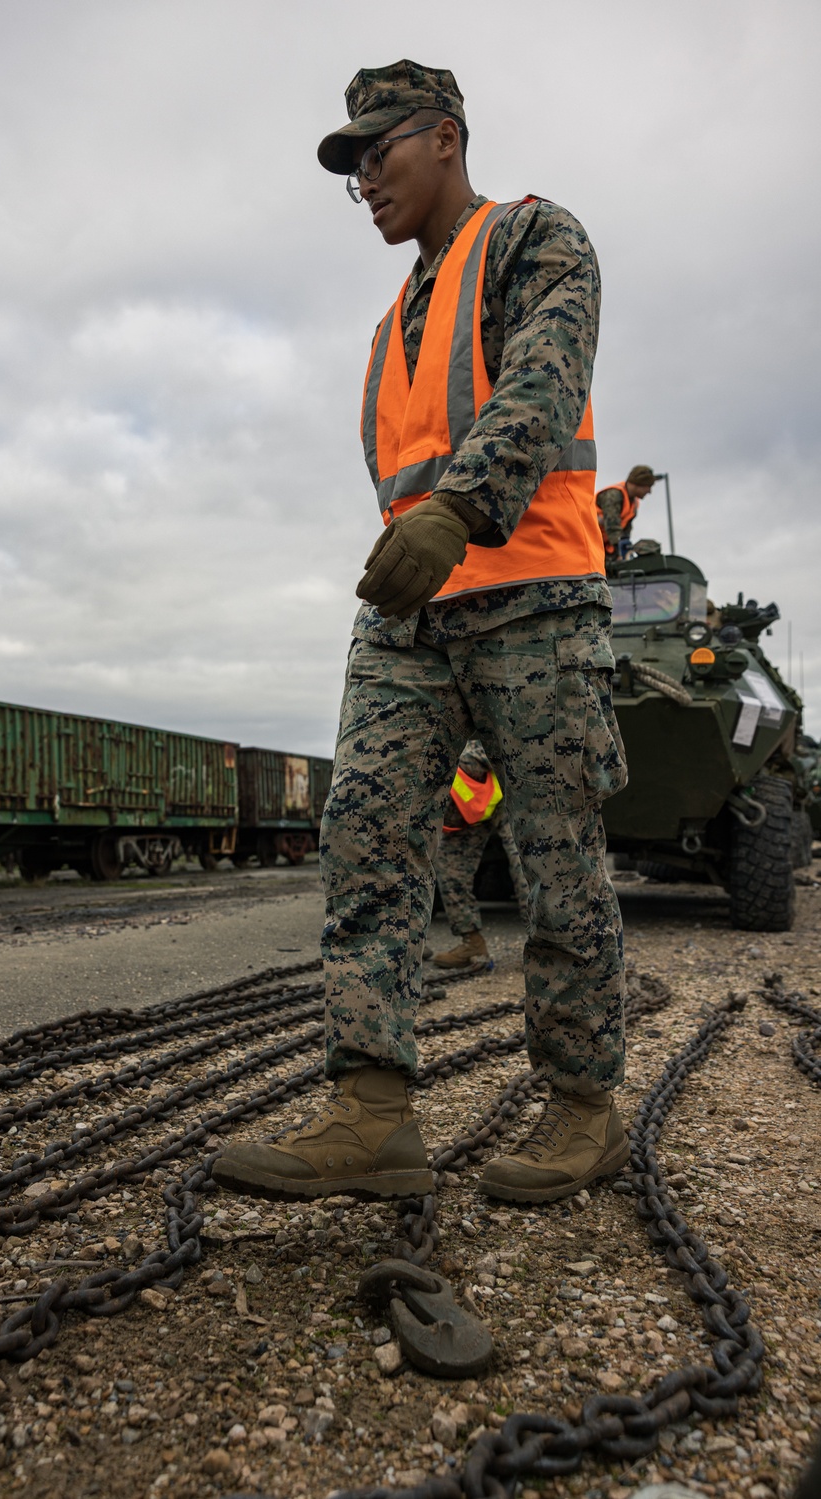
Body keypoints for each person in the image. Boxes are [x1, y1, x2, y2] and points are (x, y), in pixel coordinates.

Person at [213, 59, 628, 1208]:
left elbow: (544, 381)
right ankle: (370, 1107)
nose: (365, 182)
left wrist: (461, 505)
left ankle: (585, 1105)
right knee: (368, 834)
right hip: (409, 617)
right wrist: (411, 542)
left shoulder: (538, 240)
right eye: (349, 170)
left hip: (534, 598)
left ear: (444, 137)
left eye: (376, 152)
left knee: (554, 858)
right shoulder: (393, 316)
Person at [428, 740, 500, 970]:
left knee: (527, 870)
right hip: (465, 811)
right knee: (450, 868)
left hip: (508, 789)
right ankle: (472, 943)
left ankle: (546, 945)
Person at [595, 465, 657, 559]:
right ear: (638, 484)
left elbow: (625, 530)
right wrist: (620, 551)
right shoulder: (613, 495)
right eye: (648, 486)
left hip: (604, 544)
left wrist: (625, 549)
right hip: (589, 541)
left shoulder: (634, 503)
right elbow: (612, 527)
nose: (649, 491)